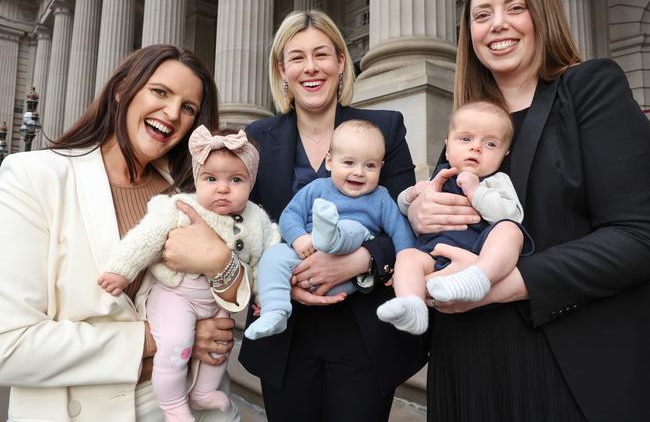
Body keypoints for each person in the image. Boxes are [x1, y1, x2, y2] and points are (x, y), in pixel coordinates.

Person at [404, 0, 650, 421]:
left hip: (565, 362)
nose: (498, 24)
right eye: (481, 15)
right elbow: (448, 222)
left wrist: (496, 287)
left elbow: (638, 236)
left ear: (542, 14)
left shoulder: (591, 87)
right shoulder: (469, 123)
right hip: (467, 363)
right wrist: (420, 214)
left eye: (514, 8)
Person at [0, 45, 248, 422]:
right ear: (122, 90)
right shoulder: (33, 178)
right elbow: (9, 345)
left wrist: (221, 263)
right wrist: (157, 339)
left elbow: (231, 301)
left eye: (188, 108)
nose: (171, 114)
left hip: (187, 408)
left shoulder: (191, 196)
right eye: (160, 92)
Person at [237, 10, 428, 422]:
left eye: (322, 54)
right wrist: (277, 281)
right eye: (297, 57)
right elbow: (246, 226)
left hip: (364, 328)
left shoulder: (385, 129)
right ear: (281, 69)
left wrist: (359, 260)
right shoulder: (256, 138)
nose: (311, 67)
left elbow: (402, 222)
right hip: (286, 332)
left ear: (342, 62)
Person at [98, 126, 280, 421]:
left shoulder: (257, 219)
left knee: (219, 348)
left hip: (217, 301)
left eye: (236, 179)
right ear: (197, 180)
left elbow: (265, 259)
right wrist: (122, 270)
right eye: (211, 179)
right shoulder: (181, 206)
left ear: (251, 182)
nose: (223, 188)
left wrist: (265, 296)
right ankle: (172, 404)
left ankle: (203, 391)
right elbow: (145, 238)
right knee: (176, 344)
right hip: (175, 295)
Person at [244, 119, 415, 340]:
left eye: (370, 165)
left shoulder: (380, 198)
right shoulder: (317, 188)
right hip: (306, 255)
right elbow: (290, 215)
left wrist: (404, 266)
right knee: (274, 256)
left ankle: (330, 235)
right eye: (349, 162)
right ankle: (275, 312)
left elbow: (401, 232)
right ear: (330, 162)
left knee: (351, 228)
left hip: (349, 263)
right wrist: (298, 238)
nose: (359, 172)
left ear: (381, 167)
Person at [377, 101, 533, 335]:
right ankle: (413, 306)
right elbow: (402, 205)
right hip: (434, 252)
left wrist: (476, 192)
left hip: (478, 254)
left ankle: (479, 279)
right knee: (408, 256)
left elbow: (512, 215)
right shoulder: (440, 176)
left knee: (510, 231)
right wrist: (412, 196)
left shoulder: (495, 182)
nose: (476, 148)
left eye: (490, 143)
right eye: (466, 139)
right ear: (448, 148)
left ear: (504, 155)